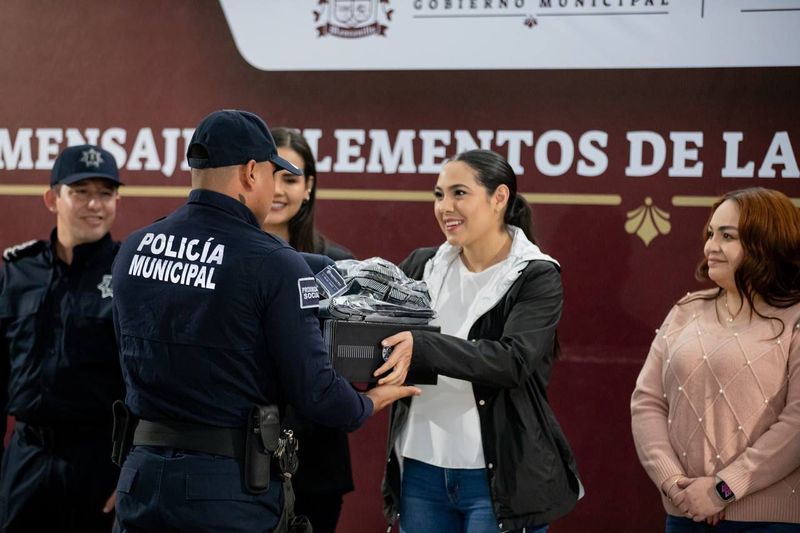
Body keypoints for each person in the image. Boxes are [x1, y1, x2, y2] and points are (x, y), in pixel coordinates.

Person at [111, 109, 420, 533]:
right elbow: (315, 389)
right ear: (252, 172)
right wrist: (367, 403)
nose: (275, 188)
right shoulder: (274, 264)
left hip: (140, 477)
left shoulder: (133, 247)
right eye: (276, 175)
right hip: (227, 488)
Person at [378, 149, 582, 532]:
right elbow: (381, 338)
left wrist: (423, 346)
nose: (445, 207)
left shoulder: (535, 275)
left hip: (498, 479)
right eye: (439, 195)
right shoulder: (421, 265)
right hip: (419, 470)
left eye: (459, 193)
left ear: (499, 197)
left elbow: (511, 361)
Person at [631, 187, 800, 532]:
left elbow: (797, 423)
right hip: (685, 514)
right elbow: (647, 402)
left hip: (769, 522)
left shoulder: (795, 319)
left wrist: (723, 489)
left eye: (727, 236)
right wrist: (676, 485)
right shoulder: (686, 310)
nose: (711, 247)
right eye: (710, 234)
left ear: (766, 243)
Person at [0, 144, 124, 532]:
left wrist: (131, 471)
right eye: (81, 191)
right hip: (26, 459)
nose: (95, 204)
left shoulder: (130, 275)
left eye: (106, 193)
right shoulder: (17, 272)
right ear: (53, 199)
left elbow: (149, 381)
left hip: (100, 463)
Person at [262, 127, 355, 533]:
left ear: (309, 186)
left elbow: (350, 370)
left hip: (315, 464)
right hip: (233, 460)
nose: (279, 190)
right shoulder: (224, 262)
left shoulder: (337, 266)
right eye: (271, 174)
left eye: (291, 177)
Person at [263, 127, 353, 260]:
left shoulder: (336, 262)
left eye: (290, 180)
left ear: (308, 186)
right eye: (267, 178)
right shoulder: (224, 255)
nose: (276, 190)